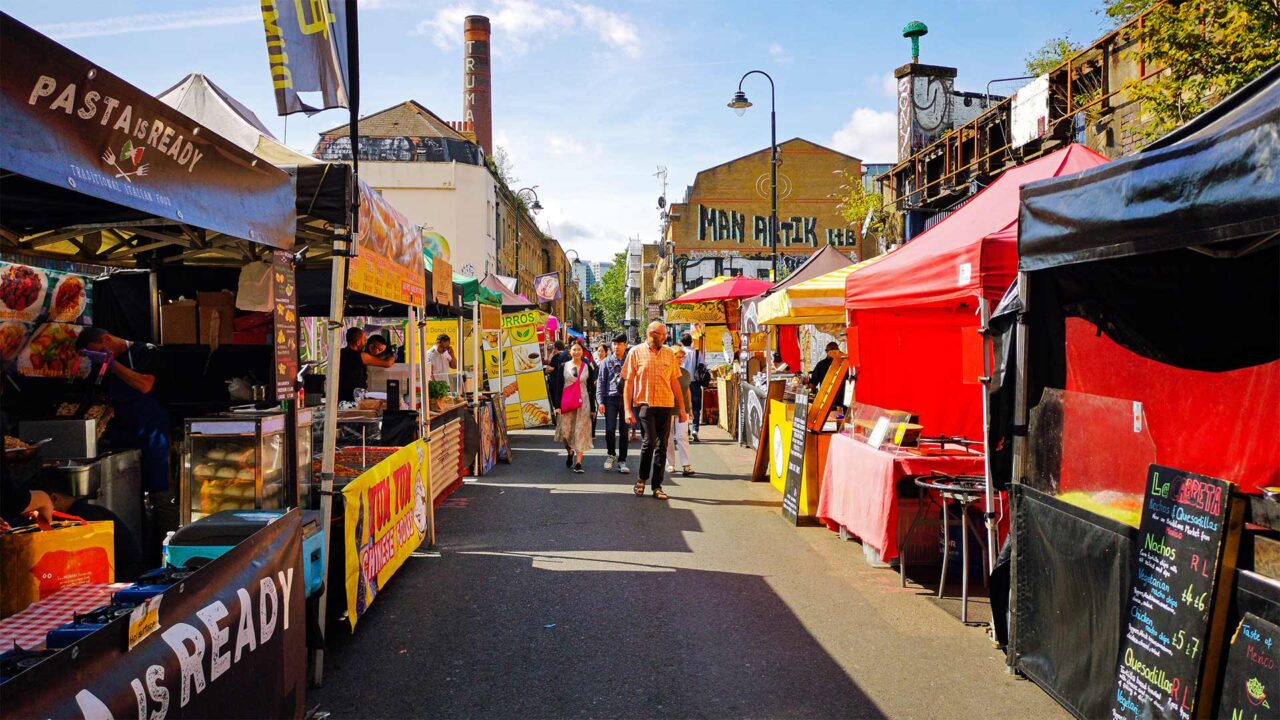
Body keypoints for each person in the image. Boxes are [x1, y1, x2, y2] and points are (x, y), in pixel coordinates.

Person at [76, 327, 174, 536]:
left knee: (161, 494)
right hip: (123, 436)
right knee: (126, 495)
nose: (99, 359)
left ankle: (170, 547)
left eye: (99, 352)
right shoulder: (100, 367)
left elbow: (144, 385)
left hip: (153, 433)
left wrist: (112, 364)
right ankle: (135, 547)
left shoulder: (147, 352)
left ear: (107, 339)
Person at [31, 468, 143, 582]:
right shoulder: (95, 512)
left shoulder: (77, 524)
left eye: (38, 506)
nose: (34, 513)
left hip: (122, 587)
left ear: (54, 498)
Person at [622, 321, 687, 501]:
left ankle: (657, 486)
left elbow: (675, 382)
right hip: (645, 404)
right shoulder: (635, 352)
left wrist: (682, 408)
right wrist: (627, 409)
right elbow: (628, 381)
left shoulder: (668, 354)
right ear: (652, 334)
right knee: (649, 442)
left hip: (666, 405)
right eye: (662, 334)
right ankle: (642, 478)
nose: (665, 338)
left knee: (662, 445)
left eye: (665, 335)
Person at [550, 340, 596, 473]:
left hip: (583, 402)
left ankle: (578, 462)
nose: (576, 352)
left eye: (579, 350)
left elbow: (591, 388)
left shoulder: (587, 366)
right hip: (567, 401)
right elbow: (558, 386)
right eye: (574, 350)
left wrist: (593, 408)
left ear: (582, 351)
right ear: (570, 352)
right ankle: (570, 451)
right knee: (566, 431)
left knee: (581, 430)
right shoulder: (564, 366)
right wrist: (557, 405)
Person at [597, 333, 631, 474]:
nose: (616, 346)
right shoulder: (606, 361)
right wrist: (600, 401)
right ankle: (611, 454)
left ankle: (622, 460)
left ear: (625, 345)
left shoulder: (630, 360)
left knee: (624, 431)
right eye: (614, 344)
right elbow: (601, 381)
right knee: (610, 429)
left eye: (619, 344)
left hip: (626, 398)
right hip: (610, 399)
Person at [337, 327, 395, 402]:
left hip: (341, 396)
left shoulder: (340, 353)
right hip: (355, 398)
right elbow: (388, 363)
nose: (365, 343)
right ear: (358, 342)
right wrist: (393, 354)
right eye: (364, 340)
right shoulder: (361, 356)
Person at [667, 346, 696, 477]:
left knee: (682, 436)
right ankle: (670, 463)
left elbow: (688, 391)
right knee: (667, 437)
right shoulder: (666, 371)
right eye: (678, 356)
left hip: (682, 408)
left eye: (682, 357)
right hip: (667, 407)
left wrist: (690, 408)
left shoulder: (685, 373)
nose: (680, 359)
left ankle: (686, 464)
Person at [680, 332, 705, 442]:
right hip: (695, 383)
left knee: (684, 407)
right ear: (691, 342)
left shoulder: (679, 353)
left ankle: (686, 429)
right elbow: (703, 366)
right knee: (696, 407)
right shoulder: (697, 353)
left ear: (681, 342)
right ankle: (695, 429)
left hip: (682, 383)